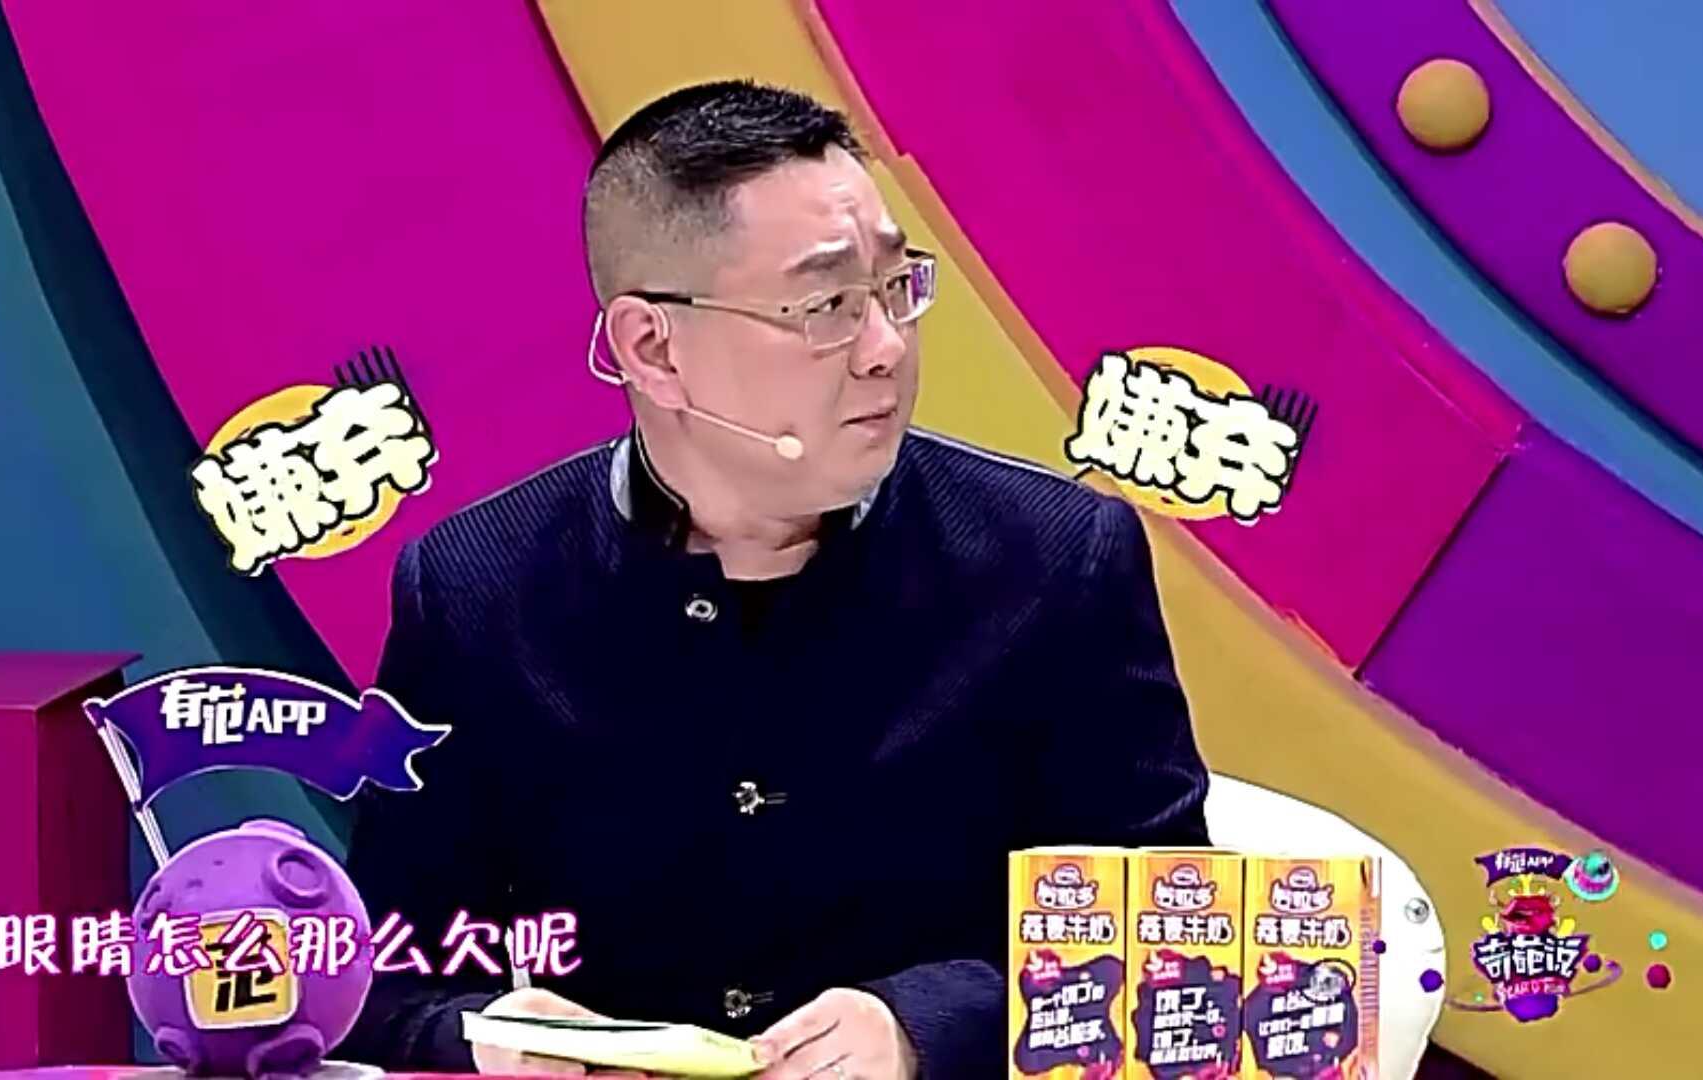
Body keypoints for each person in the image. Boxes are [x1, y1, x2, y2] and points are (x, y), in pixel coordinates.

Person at [341, 80, 1209, 1079]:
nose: (886, 348)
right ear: (653, 348)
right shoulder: (474, 590)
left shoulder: (1057, 559)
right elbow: (382, 975)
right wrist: (477, 1033)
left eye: (895, 287)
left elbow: (1177, 946)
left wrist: (929, 1026)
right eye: (826, 305)